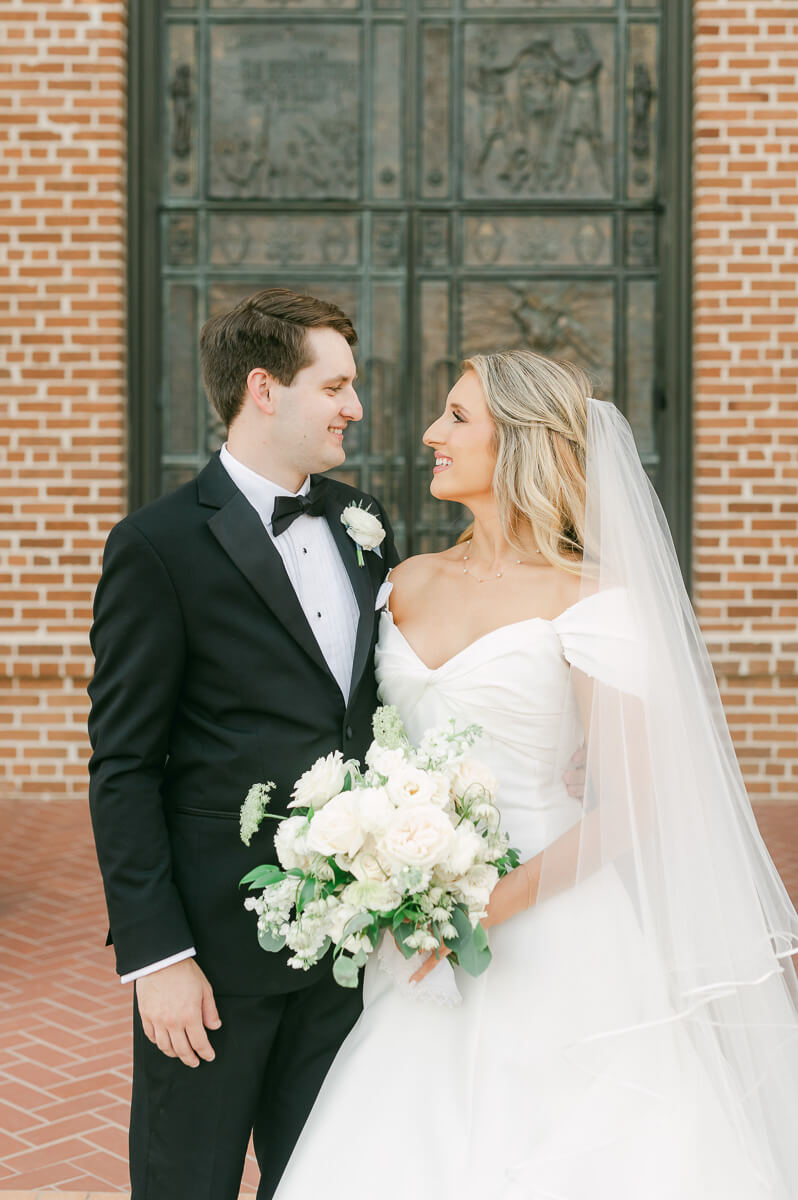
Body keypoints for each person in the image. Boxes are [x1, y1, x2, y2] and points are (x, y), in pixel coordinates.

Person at [274, 350, 798, 1199]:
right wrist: (375, 871)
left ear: (517, 443)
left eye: (457, 417)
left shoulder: (590, 598)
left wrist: (481, 908)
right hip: (415, 932)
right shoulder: (402, 583)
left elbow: (635, 810)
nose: (431, 434)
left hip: (557, 927)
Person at [87, 288, 398, 1200]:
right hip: (214, 959)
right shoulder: (156, 546)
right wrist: (158, 960)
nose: (355, 407)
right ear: (264, 389)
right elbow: (124, 766)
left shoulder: (363, 525)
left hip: (347, 950)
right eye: (335, 385)